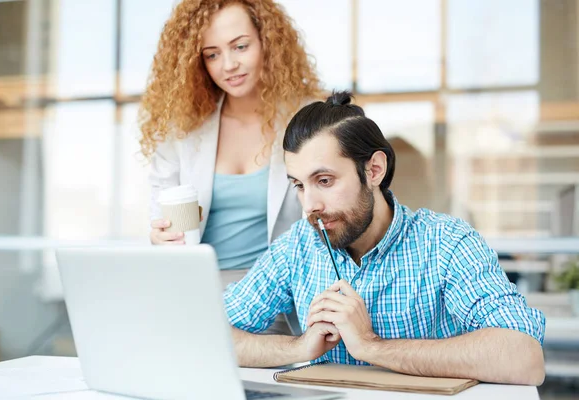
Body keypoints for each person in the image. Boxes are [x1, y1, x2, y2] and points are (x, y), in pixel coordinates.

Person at [224, 91, 546, 385]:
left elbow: (523, 356)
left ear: (374, 170)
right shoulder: (297, 246)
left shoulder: (447, 243)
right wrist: (299, 347)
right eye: (299, 185)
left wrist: (371, 346)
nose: (310, 206)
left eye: (324, 180)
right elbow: (210, 332)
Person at [139, 0, 320, 292]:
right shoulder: (182, 129)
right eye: (212, 55)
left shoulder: (310, 119)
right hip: (200, 291)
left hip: (282, 295)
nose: (228, 65)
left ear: (267, 42)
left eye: (240, 47)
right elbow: (160, 217)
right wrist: (159, 237)